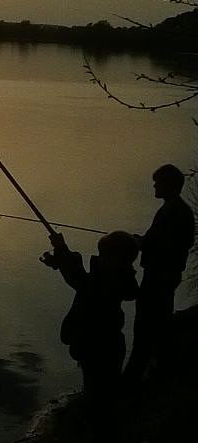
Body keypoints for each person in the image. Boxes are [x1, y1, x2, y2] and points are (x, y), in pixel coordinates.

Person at [40, 230, 139, 423]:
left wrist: (61, 248)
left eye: (104, 255)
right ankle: (104, 432)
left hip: (97, 346)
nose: (99, 259)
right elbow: (78, 276)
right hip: (109, 344)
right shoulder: (118, 279)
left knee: (98, 398)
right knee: (103, 394)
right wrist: (59, 260)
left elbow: (78, 278)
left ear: (115, 260)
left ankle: (100, 440)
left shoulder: (105, 282)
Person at [124, 164, 195, 384]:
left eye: (158, 182)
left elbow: (167, 246)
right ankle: (155, 369)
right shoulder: (171, 209)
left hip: (161, 277)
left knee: (147, 325)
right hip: (159, 275)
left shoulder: (176, 212)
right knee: (156, 323)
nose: (154, 185)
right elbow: (157, 240)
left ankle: (136, 377)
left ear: (169, 185)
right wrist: (142, 241)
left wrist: (142, 243)